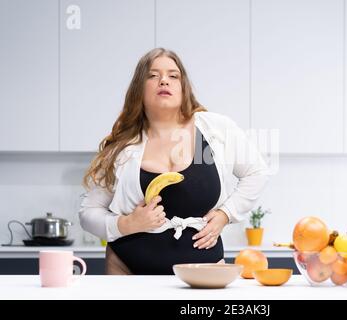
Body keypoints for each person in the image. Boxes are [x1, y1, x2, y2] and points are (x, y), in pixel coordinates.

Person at [79, 48, 269, 275]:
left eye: (173, 75)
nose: (163, 81)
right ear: (139, 89)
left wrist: (225, 213)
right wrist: (126, 224)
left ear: (183, 87)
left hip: (204, 273)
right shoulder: (122, 146)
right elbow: (88, 212)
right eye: (152, 75)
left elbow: (256, 172)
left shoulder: (215, 129)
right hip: (127, 272)